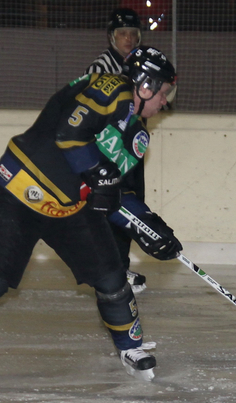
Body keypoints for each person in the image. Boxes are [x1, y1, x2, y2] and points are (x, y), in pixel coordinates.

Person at [0, 46, 182, 384]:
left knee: (112, 277)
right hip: (16, 192)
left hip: (69, 209)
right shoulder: (111, 87)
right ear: (145, 85)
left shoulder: (137, 136)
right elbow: (70, 133)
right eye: (164, 92)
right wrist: (98, 172)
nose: (165, 102)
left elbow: (111, 192)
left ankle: (132, 348)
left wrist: (149, 227)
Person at [85, 7, 151, 294]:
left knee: (131, 208)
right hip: (109, 151)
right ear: (112, 36)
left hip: (131, 152)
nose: (129, 39)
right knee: (110, 208)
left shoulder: (141, 65)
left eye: (133, 34)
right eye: (123, 33)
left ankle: (119, 268)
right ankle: (109, 271)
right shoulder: (100, 67)